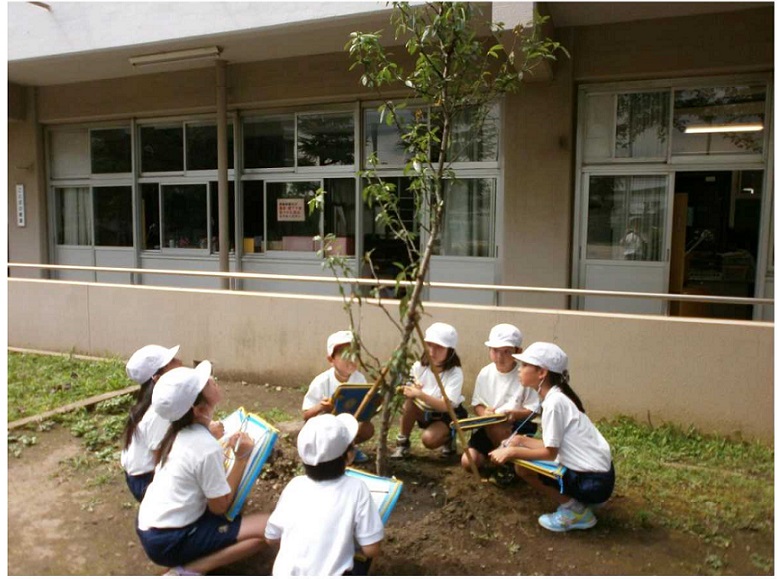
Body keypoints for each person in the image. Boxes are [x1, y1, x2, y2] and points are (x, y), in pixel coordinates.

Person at [136, 362, 268, 575]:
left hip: (151, 526)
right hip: (167, 540)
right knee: (267, 531)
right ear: (199, 410)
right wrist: (241, 459)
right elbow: (220, 507)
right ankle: (188, 570)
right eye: (207, 383)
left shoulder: (177, 432)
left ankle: (196, 550)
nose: (213, 381)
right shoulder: (204, 447)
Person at [489, 342, 615, 532]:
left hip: (593, 482)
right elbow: (554, 444)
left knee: (522, 468)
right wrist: (520, 440)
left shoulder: (554, 404)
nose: (519, 370)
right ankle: (582, 501)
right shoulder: (558, 397)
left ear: (542, 373)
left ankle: (575, 511)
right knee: (522, 458)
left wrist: (512, 451)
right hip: (599, 478)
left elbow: (549, 453)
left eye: (525, 366)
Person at [264, 413, 384, 576]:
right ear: (348, 456)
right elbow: (371, 549)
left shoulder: (295, 486)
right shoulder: (357, 489)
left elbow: (271, 538)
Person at [461, 324, 540, 476]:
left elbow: (533, 411)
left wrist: (515, 414)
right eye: (495, 350)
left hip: (516, 427)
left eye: (506, 352)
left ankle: (509, 464)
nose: (500, 357)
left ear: (518, 352)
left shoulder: (524, 373)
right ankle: (496, 459)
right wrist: (484, 412)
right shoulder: (485, 373)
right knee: (468, 461)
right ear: (489, 350)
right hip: (488, 425)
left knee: (497, 426)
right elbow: (477, 404)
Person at [391, 322, 468, 459]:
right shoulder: (419, 367)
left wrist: (420, 394)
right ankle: (402, 443)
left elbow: (447, 405)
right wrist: (411, 387)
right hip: (424, 411)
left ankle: (448, 439)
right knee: (409, 403)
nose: (432, 351)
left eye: (439, 347)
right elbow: (408, 385)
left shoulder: (455, 373)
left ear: (450, 350)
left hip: (446, 415)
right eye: (429, 345)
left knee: (429, 440)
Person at [120, 344, 182, 501]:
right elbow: (161, 461)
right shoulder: (159, 412)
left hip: (139, 475)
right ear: (158, 378)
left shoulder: (151, 402)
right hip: (146, 480)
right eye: (171, 362)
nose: (180, 362)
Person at [302, 330, 373, 463]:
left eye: (354, 354)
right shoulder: (322, 381)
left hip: (348, 424)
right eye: (344, 354)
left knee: (368, 428)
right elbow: (306, 415)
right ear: (331, 360)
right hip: (326, 429)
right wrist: (320, 407)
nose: (351, 359)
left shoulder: (359, 378)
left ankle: (348, 448)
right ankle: (329, 452)